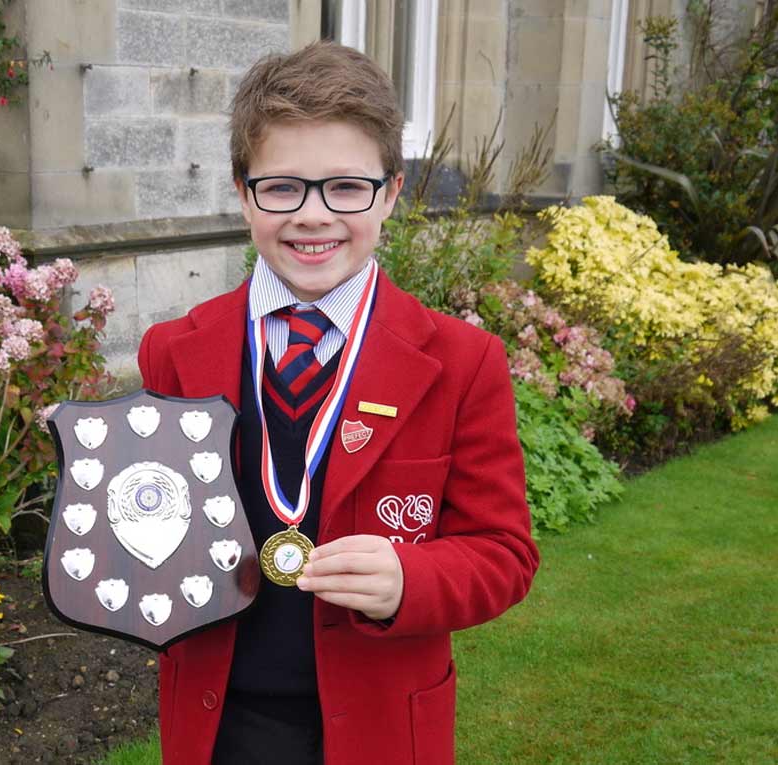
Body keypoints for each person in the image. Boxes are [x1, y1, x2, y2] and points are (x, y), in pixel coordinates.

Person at [137, 41, 538, 765]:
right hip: (217, 718)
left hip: (381, 723)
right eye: (282, 187)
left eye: (346, 188)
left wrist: (407, 579)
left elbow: (504, 553)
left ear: (389, 192)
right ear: (242, 190)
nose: (313, 217)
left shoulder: (461, 362)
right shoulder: (175, 350)